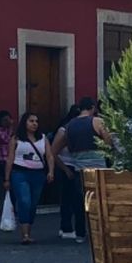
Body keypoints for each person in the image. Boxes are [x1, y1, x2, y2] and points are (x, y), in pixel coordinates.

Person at [51, 96, 110, 242]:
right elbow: (109, 143)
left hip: (79, 170)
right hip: (98, 169)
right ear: (93, 108)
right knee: (100, 202)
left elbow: (54, 151)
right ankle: (99, 232)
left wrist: (65, 168)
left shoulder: (69, 126)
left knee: (80, 202)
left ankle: (80, 233)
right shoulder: (97, 121)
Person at [4, 111, 54, 244]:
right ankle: (24, 234)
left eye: (36, 121)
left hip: (38, 174)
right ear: (24, 123)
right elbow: (10, 158)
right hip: (20, 173)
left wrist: (51, 171)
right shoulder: (16, 139)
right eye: (31, 121)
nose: (34, 124)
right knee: (24, 201)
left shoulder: (43, 138)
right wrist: (7, 178)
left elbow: (49, 156)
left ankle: (29, 231)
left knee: (33, 203)